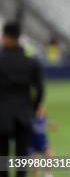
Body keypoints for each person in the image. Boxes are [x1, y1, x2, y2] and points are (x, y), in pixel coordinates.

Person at [0, 22, 44, 177]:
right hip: (24, 114)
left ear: (5, 36)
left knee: (2, 158)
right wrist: (31, 109)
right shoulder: (31, 62)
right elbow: (39, 90)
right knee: (22, 156)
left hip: (2, 115)